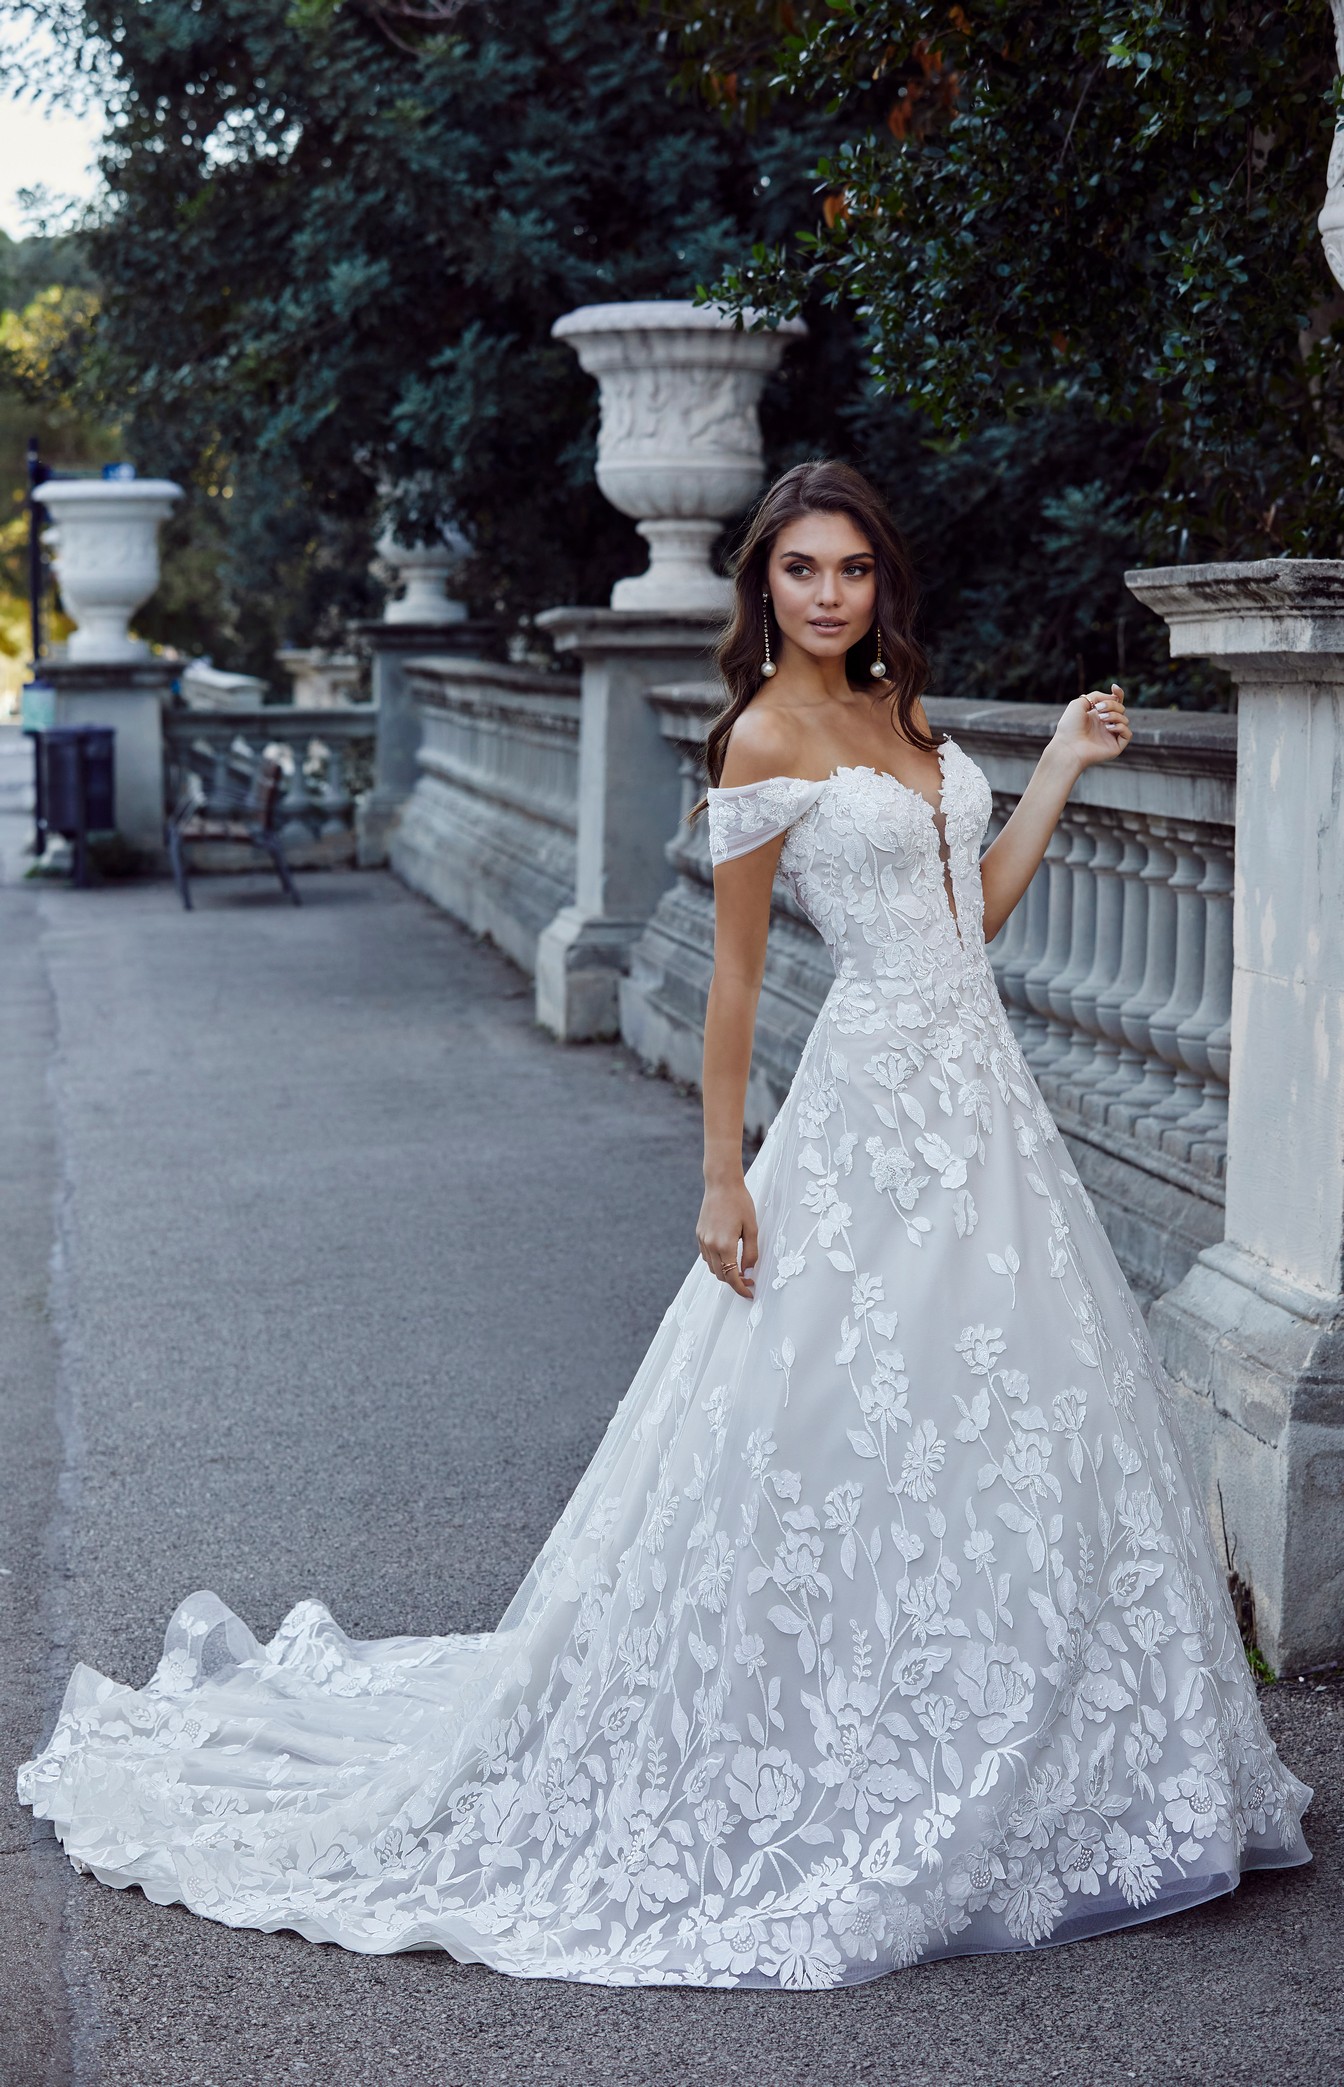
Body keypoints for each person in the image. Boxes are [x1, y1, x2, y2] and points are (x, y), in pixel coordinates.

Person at [18, 460, 1309, 1987]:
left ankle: (1009, 1730)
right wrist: (721, 1173)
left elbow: (977, 922)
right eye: (802, 572)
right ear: (764, 586)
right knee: (820, 1423)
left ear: (883, 583)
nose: (829, 595)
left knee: (1000, 1421)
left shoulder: (904, 716)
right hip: (867, 1119)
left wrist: (1060, 774)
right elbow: (745, 982)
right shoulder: (766, 739)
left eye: (852, 571)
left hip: (986, 1116)